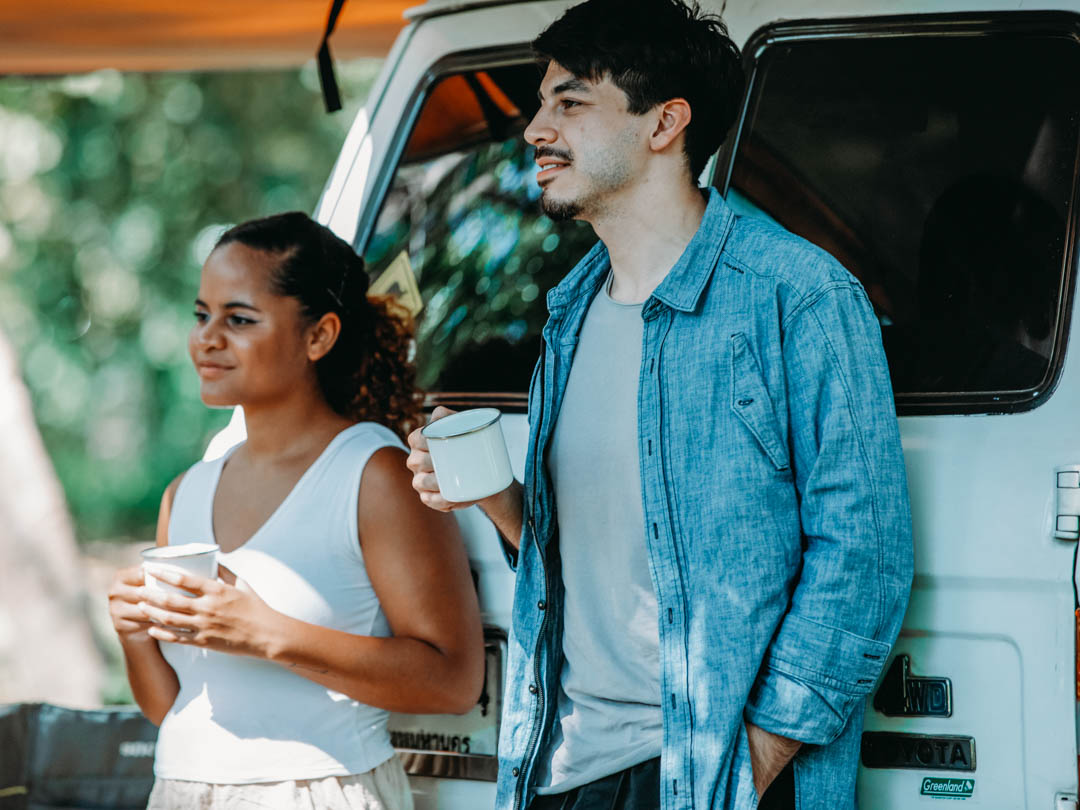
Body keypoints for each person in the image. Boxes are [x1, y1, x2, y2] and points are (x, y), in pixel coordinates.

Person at [406, 1, 914, 808]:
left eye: (570, 102)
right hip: (557, 767)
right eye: (541, 105)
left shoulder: (800, 297)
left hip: (706, 773)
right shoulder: (568, 314)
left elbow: (865, 559)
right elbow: (589, 562)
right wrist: (498, 500)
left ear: (665, 123)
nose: (536, 129)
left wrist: (753, 759)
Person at [107, 212, 484, 810]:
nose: (207, 338)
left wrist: (263, 632)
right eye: (202, 315)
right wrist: (134, 636)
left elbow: (454, 682)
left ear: (319, 336)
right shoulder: (185, 493)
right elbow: (177, 711)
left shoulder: (374, 475)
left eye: (239, 319)